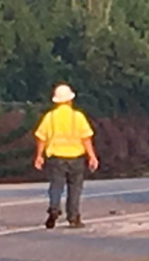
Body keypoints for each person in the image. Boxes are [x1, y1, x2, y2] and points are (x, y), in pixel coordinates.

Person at [33, 83, 99, 229]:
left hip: (56, 158)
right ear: (70, 100)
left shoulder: (49, 117)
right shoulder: (78, 117)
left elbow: (41, 137)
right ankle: (73, 217)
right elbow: (86, 138)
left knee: (56, 186)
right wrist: (92, 157)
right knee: (75, 188)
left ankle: (54, 208)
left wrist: (39, 156)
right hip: (76, 158)